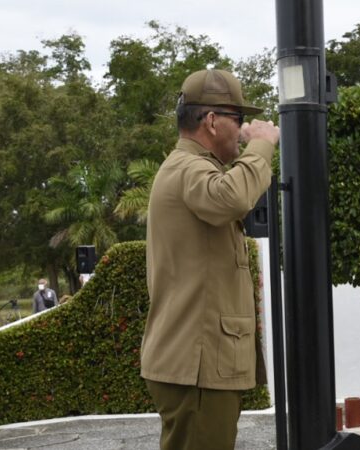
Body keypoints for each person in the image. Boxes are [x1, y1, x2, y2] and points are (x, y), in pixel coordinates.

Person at [139, 69, 280, 450]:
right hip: (197, 366)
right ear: (213, 121)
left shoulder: (191, 169)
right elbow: (231, 198)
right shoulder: (189, 168)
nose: (244, 129)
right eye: (238, 119)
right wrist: (262, 146)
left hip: (198, 363)